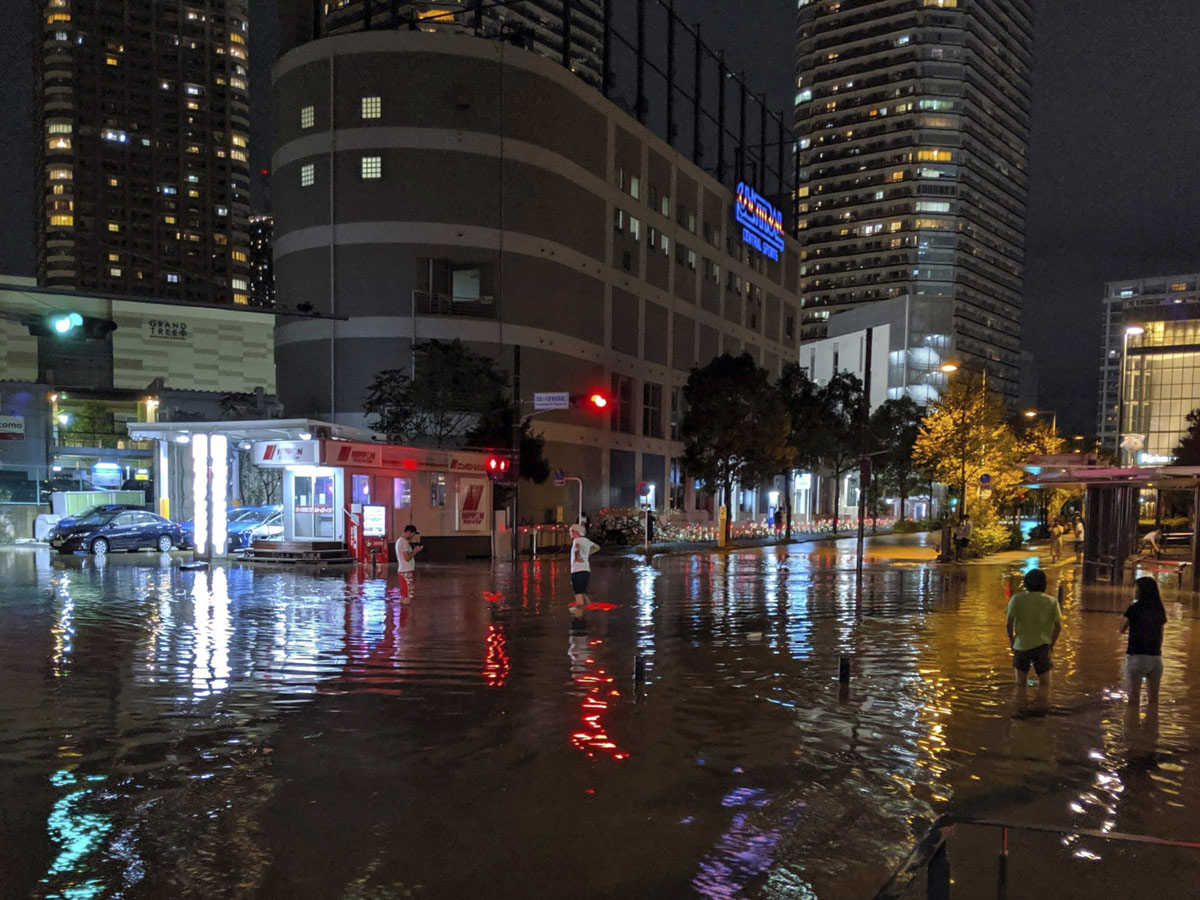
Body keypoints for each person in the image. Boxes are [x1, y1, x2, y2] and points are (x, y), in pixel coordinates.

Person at [1006, 568, 1062, 699]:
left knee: (1020, 684)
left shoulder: (1016, 599)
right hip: (1042, 646)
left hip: (1021, 645)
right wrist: (1051, 645)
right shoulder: (1052, 601)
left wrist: (1012, 641)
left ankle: (1020, 708)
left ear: (1026, 583)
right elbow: (1058, 626)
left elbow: (1008, 624)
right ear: (1044, 584)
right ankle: (1042, 709)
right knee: (1045, 683)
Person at [1120, 576, 1167, 707]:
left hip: (1137, 658)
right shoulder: (1160, 610)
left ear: (1140, 591)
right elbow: (1161, 635)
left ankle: (1132, 724)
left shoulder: (1134, 608)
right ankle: (1152, 725)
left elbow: (1122, 629)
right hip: (1156, 659)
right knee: (1153, 701)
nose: (1134, 591)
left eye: (1136, 588)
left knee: (1133, 699)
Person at [568, 522, 601, 607]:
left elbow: (577, 549)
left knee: (578, 593)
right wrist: (587, 553)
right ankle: (590, 607)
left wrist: (578, 557)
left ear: (576, 532)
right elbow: (597, 547)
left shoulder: (576, 541)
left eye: (571, 531)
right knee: (583, 591)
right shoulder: (586, 541)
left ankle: (579, 616)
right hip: (586, 570)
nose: (570, 534)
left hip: (577, 570)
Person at [394, 524, 423, 598]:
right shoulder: (404, 542)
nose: (413, 536)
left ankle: (403, 609)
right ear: (409, 532)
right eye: (413, 534)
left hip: (402, 571)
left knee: (404, 595)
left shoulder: (399, 541)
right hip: (407, 571)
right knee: (409, 595)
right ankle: (409, 609)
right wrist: (415, 551)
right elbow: (407, 558)